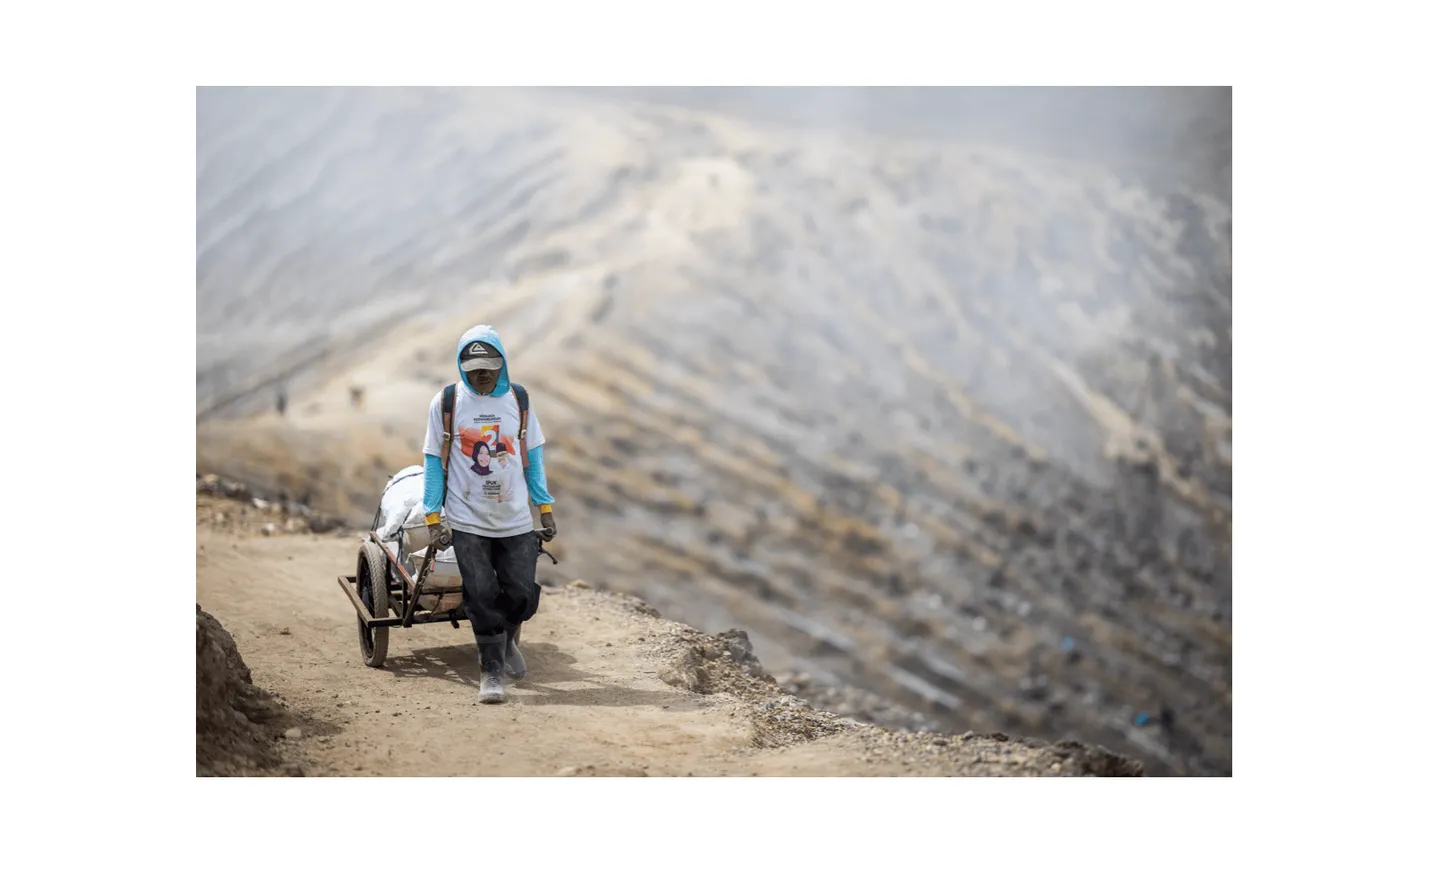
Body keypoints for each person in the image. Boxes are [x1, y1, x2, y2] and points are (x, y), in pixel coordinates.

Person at [421, 324, 557, 704]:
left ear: (502, 365)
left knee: (520, 593)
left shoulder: (519, 400)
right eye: (473, 365)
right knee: (479, 594)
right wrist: (434, 517)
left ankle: (508, 633)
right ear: (461, 365)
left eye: (489, 365)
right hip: (467, 518)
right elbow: (434, 461)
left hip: (515, 519)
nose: (481, 373)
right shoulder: (447, 403)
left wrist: (544, 508)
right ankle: (491, 670)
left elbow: (533, 460)